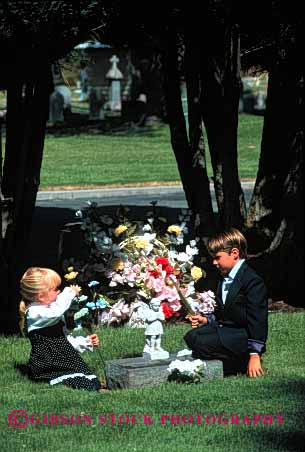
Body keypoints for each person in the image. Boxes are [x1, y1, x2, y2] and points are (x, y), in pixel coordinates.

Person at [184, 228, 268, 378]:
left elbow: (258, 319)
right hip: (226, 330)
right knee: (191, 336)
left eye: (217, 257)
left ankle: (240, 362)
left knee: (201, 342)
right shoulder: (224, 277)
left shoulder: (252, 281)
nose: (214, 262)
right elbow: (224, 312)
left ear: (234, 253)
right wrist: (206, 319)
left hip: (242, 335)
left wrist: (255, 354)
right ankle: (230, 360)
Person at [19, 267, 101, 391]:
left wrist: (86, 342)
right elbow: (56, 312)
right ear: (41, 296)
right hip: (48, 364)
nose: (59, 292)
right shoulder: (34, 313)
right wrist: (69, 293)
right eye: (56, 289)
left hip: (63, 361)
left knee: (92, 381)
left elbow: (63, 341)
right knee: (82, 383)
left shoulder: (49, 310)